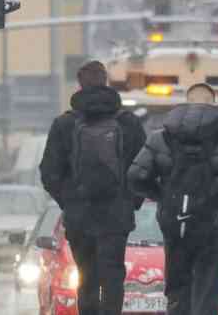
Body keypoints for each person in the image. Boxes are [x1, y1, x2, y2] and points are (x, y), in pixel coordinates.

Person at [127, 83, 218, 315]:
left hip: (175, 223)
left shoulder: (159, 138)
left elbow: (136, 176)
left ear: (186, 102)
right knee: (208, 286)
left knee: (177, 286)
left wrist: (163, 197)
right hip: (212, 226)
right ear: (213, 103)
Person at [40, 61, 147, 315]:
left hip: (80, 216)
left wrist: (69, 200)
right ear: (105, 82)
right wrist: (130, 200)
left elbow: (48, 172)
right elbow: (144, 166)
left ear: (80, 84)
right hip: (116, 216)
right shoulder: (128, 123)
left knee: (86, 277)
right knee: (112, 277)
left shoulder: (64, 124)